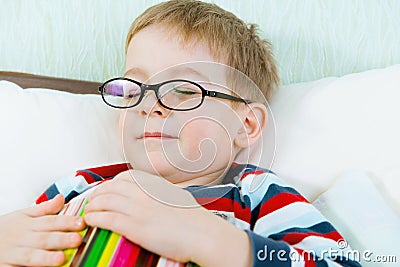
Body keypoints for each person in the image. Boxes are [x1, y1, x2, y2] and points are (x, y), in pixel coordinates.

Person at [0, 1, 361, 266]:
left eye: (185, 90)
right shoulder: (80, 187)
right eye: (134, 89)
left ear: (246, 125)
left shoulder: (255, 195)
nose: (149, 106)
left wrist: (212, 240)